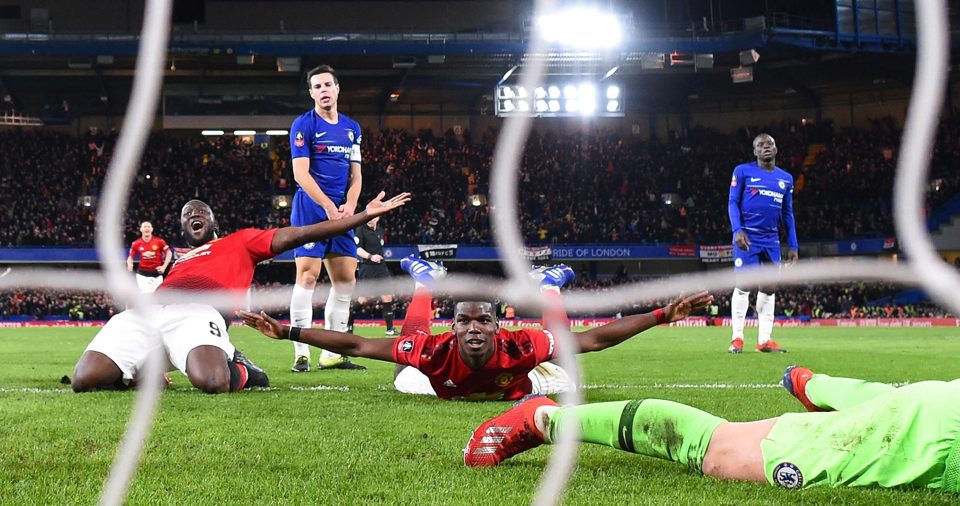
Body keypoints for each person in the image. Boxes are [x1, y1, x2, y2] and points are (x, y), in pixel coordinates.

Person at [70, 191, 409, 394]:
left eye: (200, 211)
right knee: (84, 380)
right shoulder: (181, 261)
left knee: (213, 382)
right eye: (187, 214)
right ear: (184, 229)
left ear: (214, 221)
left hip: (198, 313)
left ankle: (243, 367)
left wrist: (362, 216)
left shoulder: (241, 241)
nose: (193, 215)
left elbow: (301, 234)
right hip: (150, 312)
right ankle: (145, 372)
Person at [239, 257, 713, 401]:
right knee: (405, 366)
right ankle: (427, 284)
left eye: (482, 320)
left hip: (519, 384)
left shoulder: (519, 345)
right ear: (454, 325)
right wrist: (290, 333)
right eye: (463, 320)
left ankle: (549, 287)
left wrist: (657, 316)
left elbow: (593, 338)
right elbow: (359, 343)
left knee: (565, 362)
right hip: (438, 382)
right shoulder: (435, 353)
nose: (472, 328)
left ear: (496, 323)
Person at [464, 367, 960, 495]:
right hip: (937, 439)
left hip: (940, 411)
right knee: (721, 451)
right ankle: (541, 419)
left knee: (907, 403)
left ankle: (819, 387)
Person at [288, 64, 365, 373]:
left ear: (337, 89)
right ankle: (301, 352)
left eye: (327, 85)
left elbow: (356, 175)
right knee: (307, 277)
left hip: (342, 211)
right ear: (311, 93)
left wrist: (349, 204)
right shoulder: (303, 125)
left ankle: (331, 352)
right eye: (316, 86)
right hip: (310, 208)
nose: (323, 90)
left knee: (346, 281)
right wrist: (328, 206)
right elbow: (300, 174)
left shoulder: (352, 128)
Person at [727, 133, 798, 353]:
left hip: (771, 240)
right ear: (755, 151)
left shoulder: (785, 178)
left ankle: (764, 340)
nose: (765, 147)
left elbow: (787, 214)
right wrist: (737, 230)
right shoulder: (742, 171)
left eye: (770, 144)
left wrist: (793, 246)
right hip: (747, 237)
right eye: (760, 145)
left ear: (776, 150)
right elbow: (732, 202)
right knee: (745, 285)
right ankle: (737, 339)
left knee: (769, 287)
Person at [346, 215, 397, 337]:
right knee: (363, 299)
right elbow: (357, 249)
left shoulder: (380, 230)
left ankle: (390, 329)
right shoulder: (360, 230)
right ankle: (349, 323)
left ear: (378, 218)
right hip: (367, 267)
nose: (371, 219)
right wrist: (371, 256)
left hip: (381, 267)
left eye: (374, 217)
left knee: (387, 296)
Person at [126, 221, 172, 294]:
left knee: (157, 298)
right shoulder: (136, 243)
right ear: (141, 229)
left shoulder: (159, 241)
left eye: (148, 227)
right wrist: (129, 264)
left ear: (152, 229)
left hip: (157, 275)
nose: (147, 228)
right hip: (142, 275)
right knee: (147, 295)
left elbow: (169, 253)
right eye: (144, 227)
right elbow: (130, 257)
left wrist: (164, 267)